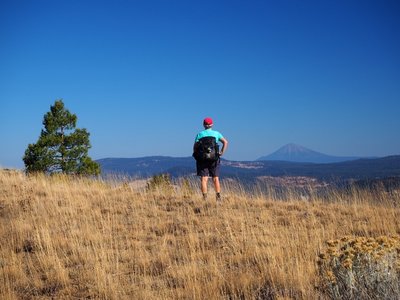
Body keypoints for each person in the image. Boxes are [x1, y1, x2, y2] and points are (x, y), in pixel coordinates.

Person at [193, 117, 228, 201]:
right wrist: (222, 152)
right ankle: (218, 197)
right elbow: (225, 142)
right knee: (215, 178)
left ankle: (204, 198)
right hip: (214, 158)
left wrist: (196, 155)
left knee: (204, 179)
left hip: (202, 159)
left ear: (203, 125)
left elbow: (195, 147)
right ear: (212, 125)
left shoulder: (199, 134)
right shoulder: (216, 133)